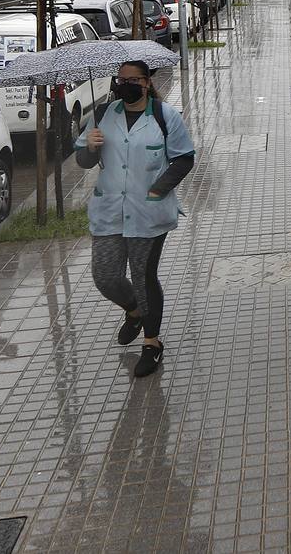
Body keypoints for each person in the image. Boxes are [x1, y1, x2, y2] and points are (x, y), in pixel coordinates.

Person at [75, 60, 195, 377]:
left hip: (149, 212)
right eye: (121, 79)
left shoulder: (164, 116)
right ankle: (134, 310)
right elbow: (84, 161)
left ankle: (152, 343)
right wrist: (89, 146)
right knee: (105, 276)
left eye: (133, 79)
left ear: (146, 82)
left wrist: (159, 189)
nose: (125, 84)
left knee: (143, 275)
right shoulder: (102, 116)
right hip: (109, 210)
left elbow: (184, 158)